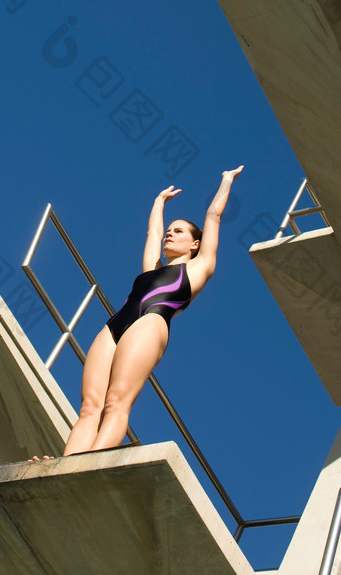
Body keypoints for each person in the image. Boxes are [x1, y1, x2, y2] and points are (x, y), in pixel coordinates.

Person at [60, 166, 244, 456]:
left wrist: (226, 180)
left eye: (178, 231)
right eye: (170, 231)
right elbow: (153, 232)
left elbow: (213, 217)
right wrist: (158, 201)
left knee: (115, 403)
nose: (169, 234)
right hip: (115, 326)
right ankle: (65, 463)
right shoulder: (152, 268)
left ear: (195, 244)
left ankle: (87, 463)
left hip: (150, 323)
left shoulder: (200, 266)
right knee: (89, 406)